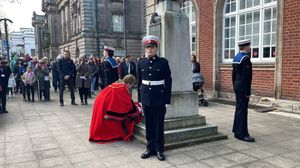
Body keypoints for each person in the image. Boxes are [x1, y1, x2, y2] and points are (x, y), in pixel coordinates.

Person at [137, 35, 172, 161]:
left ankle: (159, 148)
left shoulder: (163, 62)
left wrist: (167, 101)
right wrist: (140, 101)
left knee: (159, 125)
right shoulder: (141, 62)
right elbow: (139, 83)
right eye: (147, 47)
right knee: (149, 124)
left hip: (159, 98)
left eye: (151, 47)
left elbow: (168, 82)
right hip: (146, 98)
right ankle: (150, 147)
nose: (149, 49)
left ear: (156, 48)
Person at [89, 74, 142, 142]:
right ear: (129, 83)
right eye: (131, 86)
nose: (129, 88)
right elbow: (127, 102)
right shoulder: (122, 88)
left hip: (101, 101)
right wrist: (137, 109)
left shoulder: (117, 84)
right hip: (105, 104)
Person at [232, 39, 254, 142]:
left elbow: (233, 75)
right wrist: (248, 92)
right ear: (245, 47)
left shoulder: (236, 57)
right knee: (243, 110)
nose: (249, 48)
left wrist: (234, 86)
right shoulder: (246, 59)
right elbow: (247, 77)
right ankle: (243, 134)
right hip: (243, 87)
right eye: (249, 46)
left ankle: (237, 132)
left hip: (237, 85)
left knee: (239, 109)